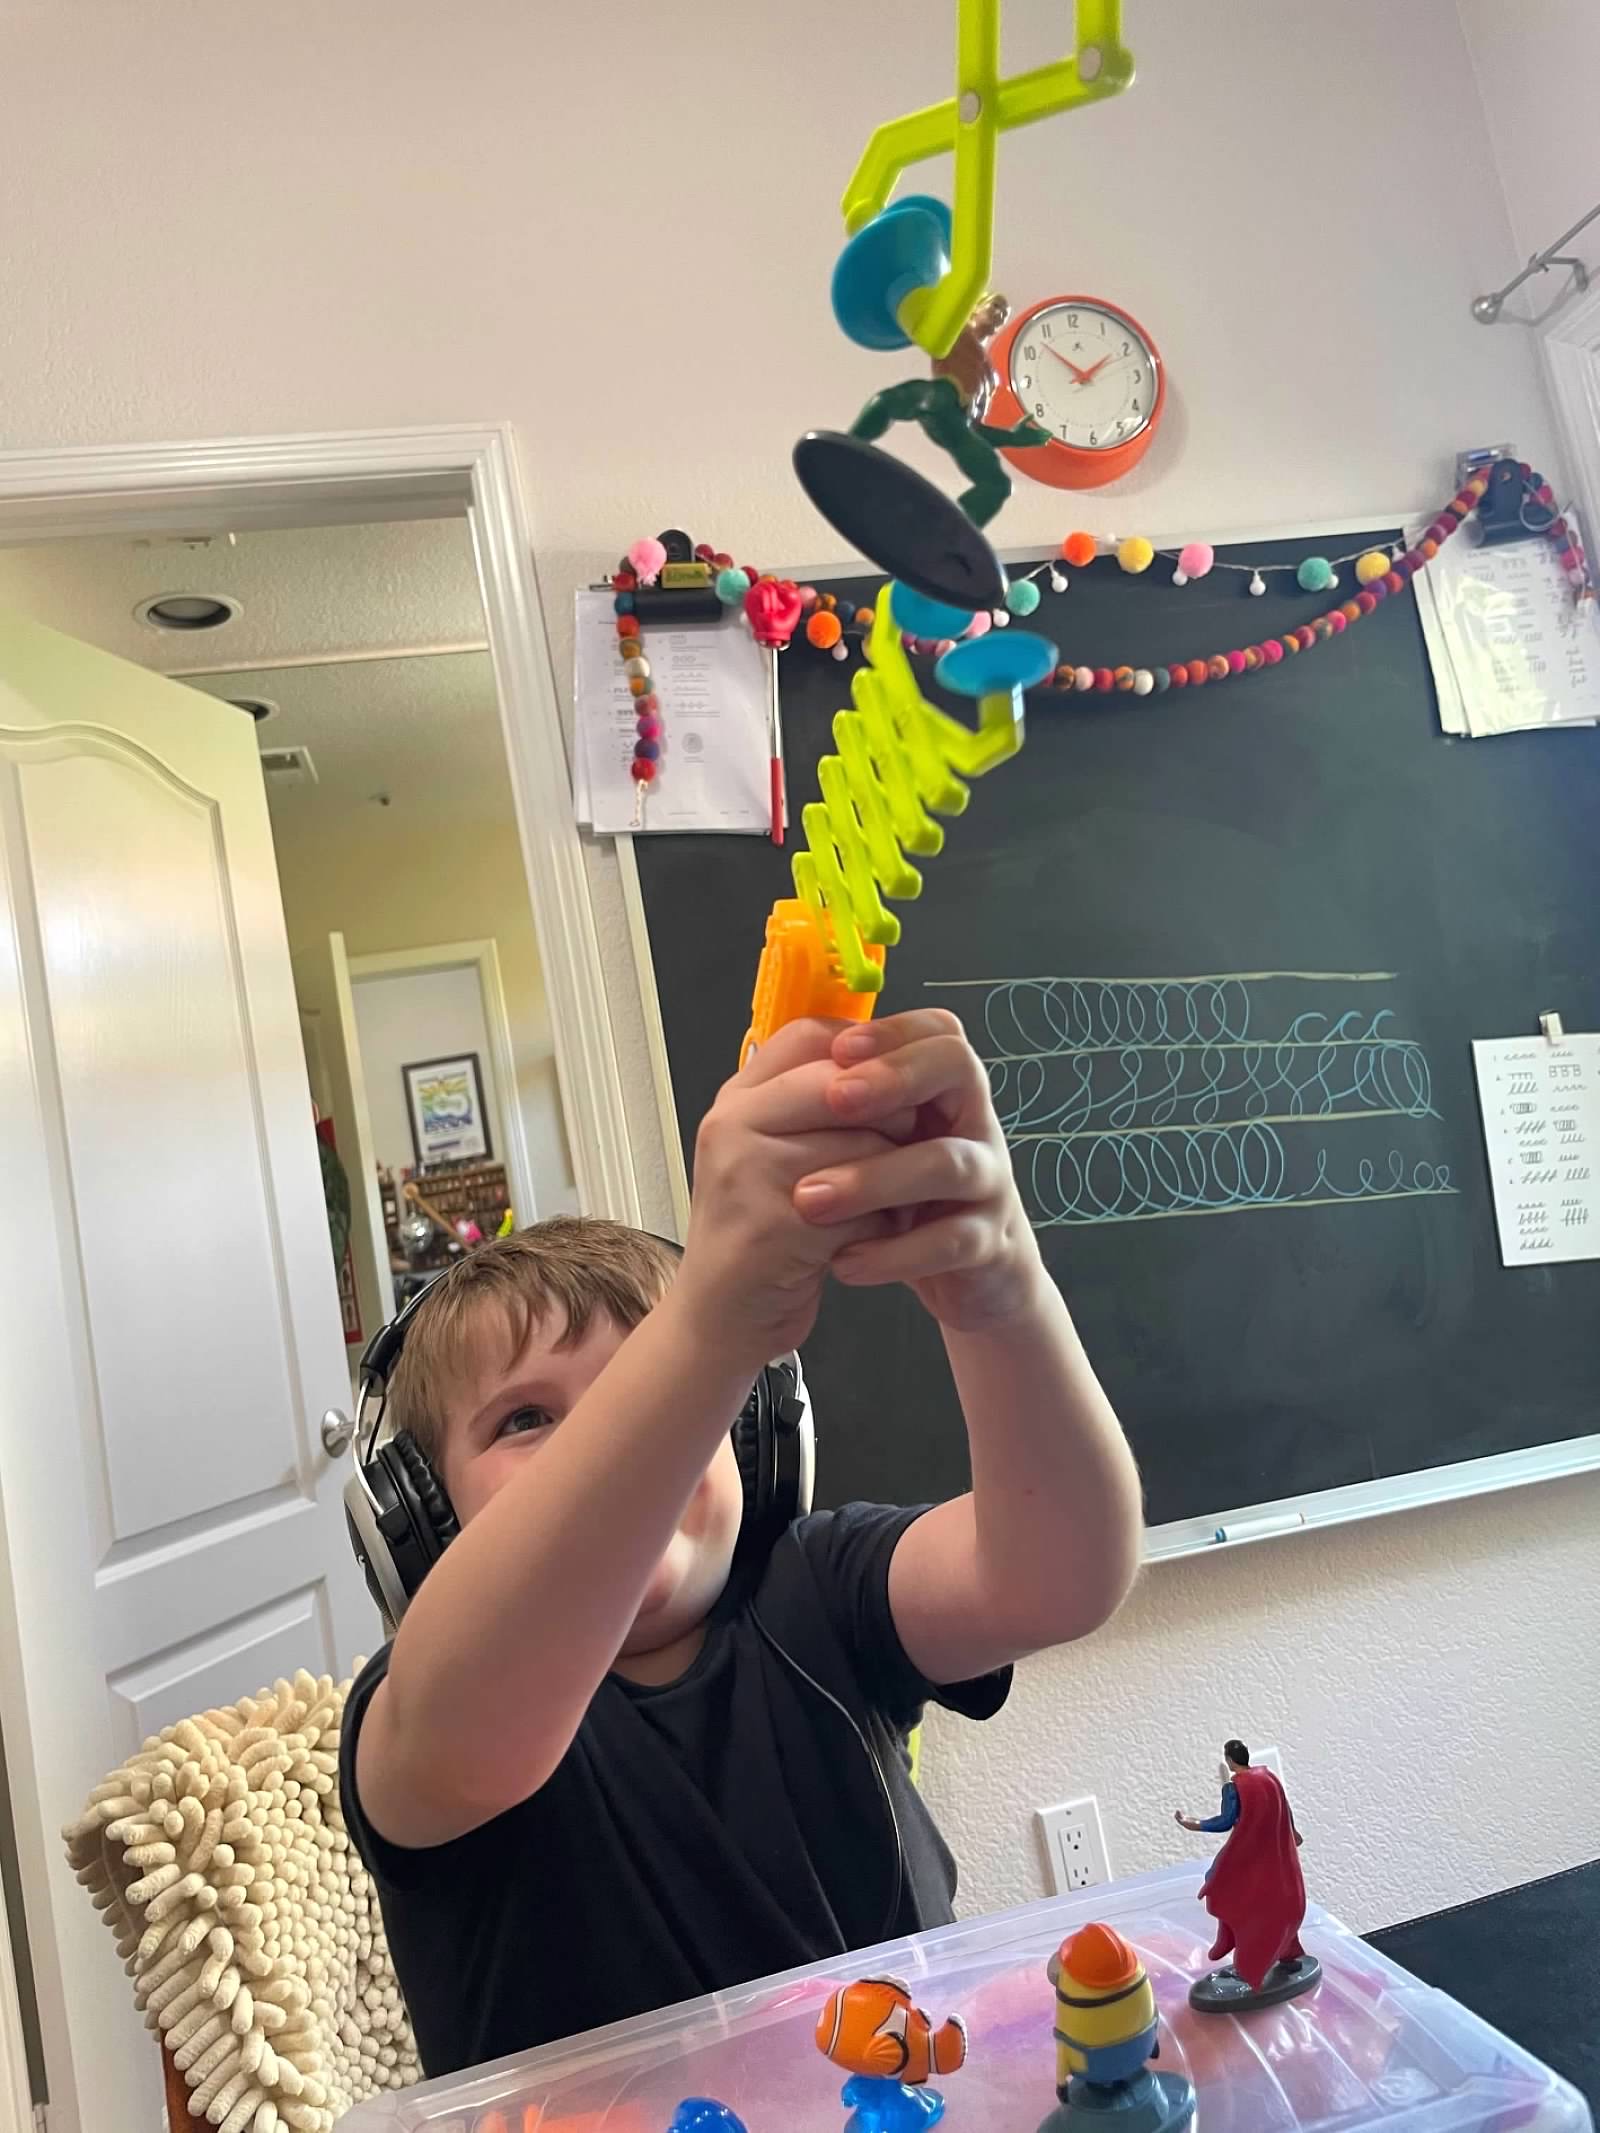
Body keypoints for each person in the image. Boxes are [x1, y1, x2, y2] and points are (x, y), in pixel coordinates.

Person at [341, 1010, 1143, 2076]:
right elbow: (469, 1712)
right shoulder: (429, 1714)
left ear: (756, 1443)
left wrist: (1001, 1291)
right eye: (526, 1421)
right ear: (422, 1522)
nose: (617, 1445)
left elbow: (1059, 1575)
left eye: (654, 1393)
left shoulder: (818, 1584)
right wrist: (710, 1326)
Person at [1176, 1741, 1308, 1996]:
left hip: (1249, 1854)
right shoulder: (1269, 1777)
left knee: (1228, 1889)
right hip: (1276, 1857)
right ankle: (1286, 1951)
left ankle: (1249, 1964)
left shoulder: (1234, 1788)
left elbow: (1225, 1822)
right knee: (1278, 1900)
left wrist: (1195, 1824)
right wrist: (1292, 1832)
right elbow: (1285, 1807)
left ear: (1229, 1760)